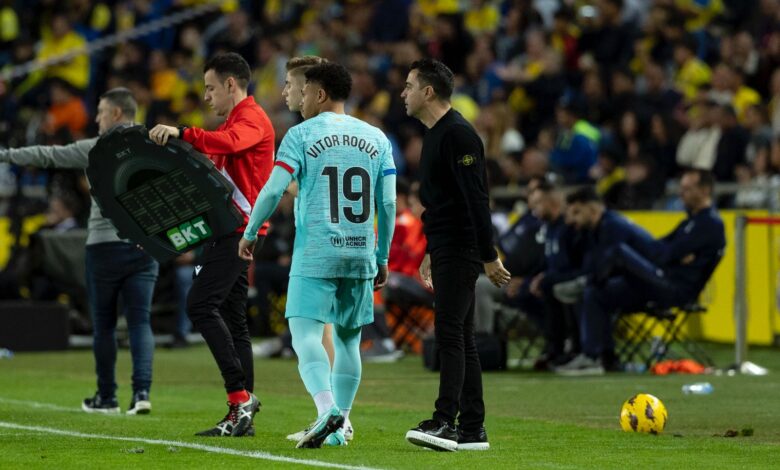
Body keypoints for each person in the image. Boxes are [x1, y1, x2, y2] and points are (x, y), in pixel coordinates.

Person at [238, 62, 396, 448]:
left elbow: (273, 189)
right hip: (360, 253)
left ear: (320, 94)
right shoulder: (377, 138)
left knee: (305, 334)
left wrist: (250, 232)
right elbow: (388, 203)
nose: (301, 97)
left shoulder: (301, 135)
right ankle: (341, 426)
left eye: (305, 91)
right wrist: (382, 256)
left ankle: (327, 412)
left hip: (317, 251)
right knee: (348, 341)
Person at [0, 88, 158, 415]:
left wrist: (7, 155)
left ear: (116, 114)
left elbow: (48, 155)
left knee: (104, 324)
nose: (97, 118)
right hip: (145, 246)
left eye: (101, 112)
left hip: (104, 247)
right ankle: (141, 392)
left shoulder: (97, 148)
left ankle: (107, 397)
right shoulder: (156, 147)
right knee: (140, 321)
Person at [149, 52, 274, 437]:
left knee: (200, 305)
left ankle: (240, 398)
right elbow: (213, 192)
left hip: (241, 231)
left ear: (230, 84)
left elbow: (232, 144)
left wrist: (183, 132)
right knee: (234, 320)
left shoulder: (251, 119)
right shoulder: (234, 122)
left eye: (210, 88)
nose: (206, 96)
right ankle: (242, 416)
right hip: (230, 229)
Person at [401, 58, 510, 452]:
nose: (403, 93)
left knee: (449, 333)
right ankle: (472, 428)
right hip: (447, 245)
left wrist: (488, 255)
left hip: (461, 247)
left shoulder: (459, 135)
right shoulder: (437, 134)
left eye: (409, 86)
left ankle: (445, 422)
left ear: (428, 92)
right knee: (461, 337)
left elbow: (476, 199)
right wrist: (432, 248)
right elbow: (442, 203)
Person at [560, 170, 725, 376]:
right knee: (596, 293)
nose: (681, 193)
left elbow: (666, 253)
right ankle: (602, 358)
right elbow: (663, 248)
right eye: (681, 188)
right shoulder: (690, 222)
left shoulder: (710, 223)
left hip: (676, 288)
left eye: (687, 189)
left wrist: (670, 256)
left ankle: (586, 281)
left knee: (618, 252)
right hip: (661, 279)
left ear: (705, 190)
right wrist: (675, 256)